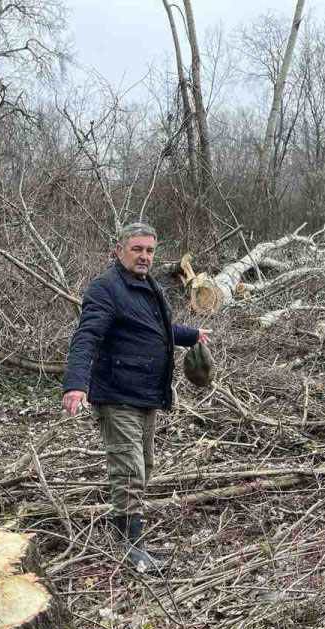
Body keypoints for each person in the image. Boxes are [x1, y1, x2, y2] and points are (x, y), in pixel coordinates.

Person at [61, 222, 210, 572]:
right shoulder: (106, 289)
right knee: (129, 471)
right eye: (137, 249)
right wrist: (75, 383)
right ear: (119, 250)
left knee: (143, 468)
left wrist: (190, 336)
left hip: (146, 395)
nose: (144, 256)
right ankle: (130, 548)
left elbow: (155, 329)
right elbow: (86, 337)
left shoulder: (148, 286)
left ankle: (127, 536)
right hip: (117, 395)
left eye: (149, 250)